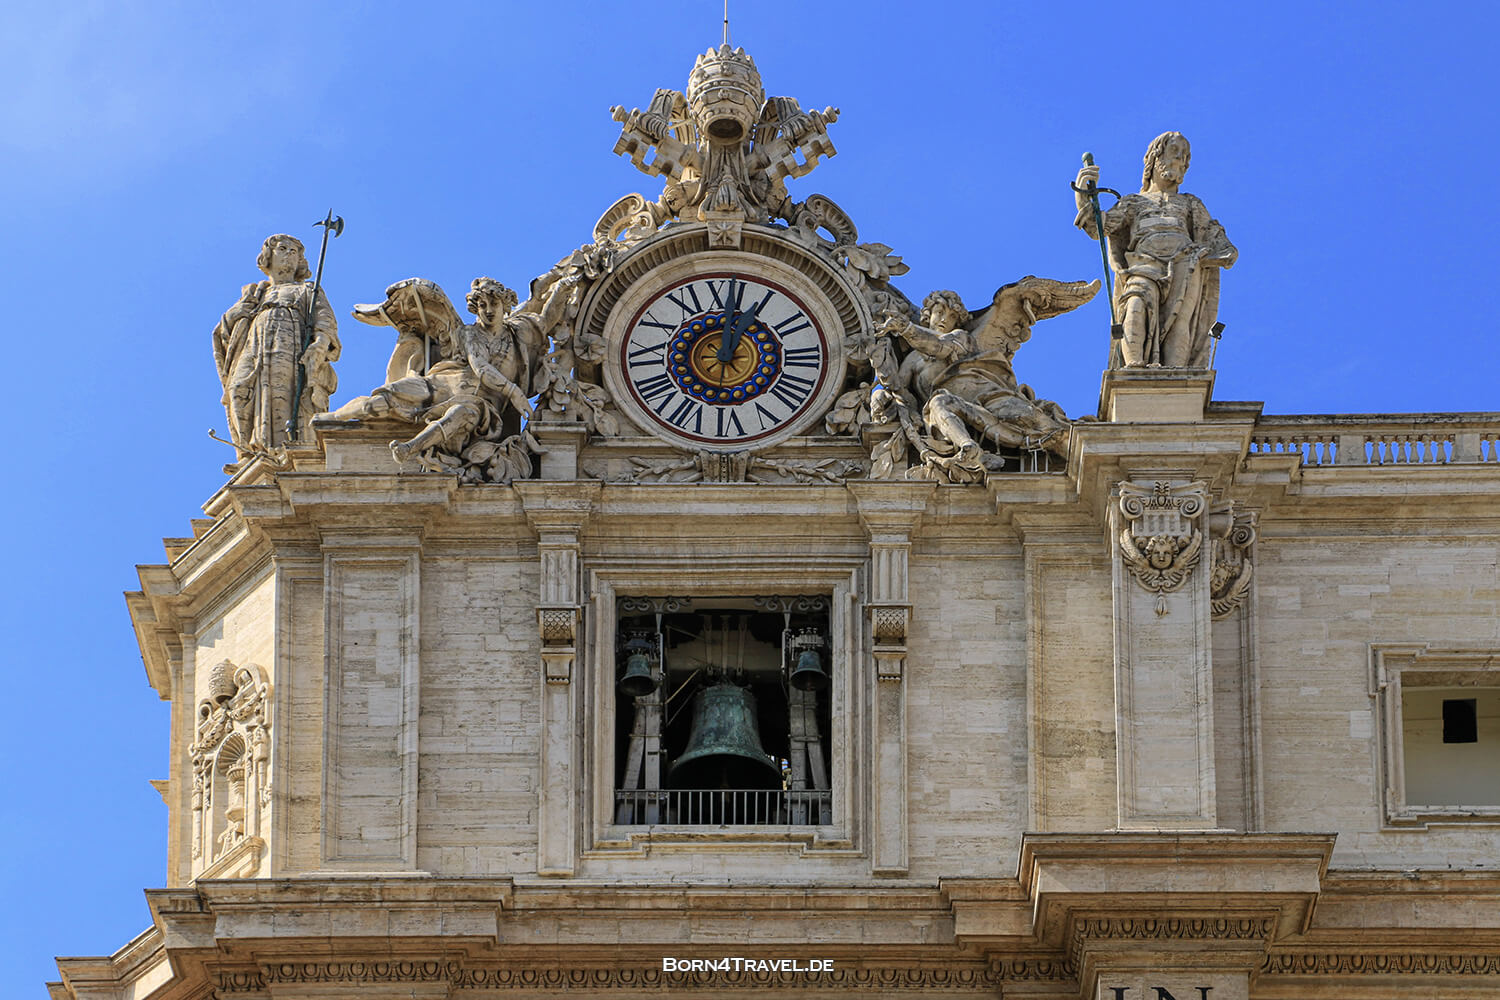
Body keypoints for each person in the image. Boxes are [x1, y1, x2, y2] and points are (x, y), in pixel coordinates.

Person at [1074, 132, 1236, 368]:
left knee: (1180, 320)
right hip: (1142, 261)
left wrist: (1225, 251)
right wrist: (1083, 196)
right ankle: (1134, 371)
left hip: (1186, 260)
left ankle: (1175, 377)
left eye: (1184, 156)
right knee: (1135, 305)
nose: (1179, 159)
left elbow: (1211, 232)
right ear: (1154, 158)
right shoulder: (1133, 201)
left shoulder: (1190, 203)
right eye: (1174, 152)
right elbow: (1100, 226)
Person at [212, 234, 339, 457]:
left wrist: (320, 344)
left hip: (289, 343)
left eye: (295, 252)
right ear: (268, 257)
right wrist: (235, 314)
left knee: (283, 391)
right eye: (283, 249)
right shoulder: (255, 294)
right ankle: (249, 452)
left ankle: (283, 452)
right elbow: (223, 330)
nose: (289, 255)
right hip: (255, 342)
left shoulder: (308, 290)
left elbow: (325, 320)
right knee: (239, 388)